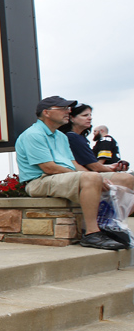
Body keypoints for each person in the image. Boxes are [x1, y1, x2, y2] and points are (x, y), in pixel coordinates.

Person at [15, 95, 134, 250]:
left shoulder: (61, 136)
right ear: (46, 113)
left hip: (63, 176)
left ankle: (110, 225)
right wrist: (92, 178)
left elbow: (74, 164)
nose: (68, 111)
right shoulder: (33, 134)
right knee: (91, 178)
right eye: (63, 108)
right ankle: (91, 234)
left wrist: (96, 177)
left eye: (68, 108)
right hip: (40, 181)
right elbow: (49, 168)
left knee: (126, 179)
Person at [62, 104, 130, 173]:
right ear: (71, 118)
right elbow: (95, 166)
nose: (90, 118)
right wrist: (112, 169)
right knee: (126, 178)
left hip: (88, 172)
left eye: (90, 115)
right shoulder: (73, 137)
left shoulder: (79, 137)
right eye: (85, 115)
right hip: (85, 173)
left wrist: (112, 166)